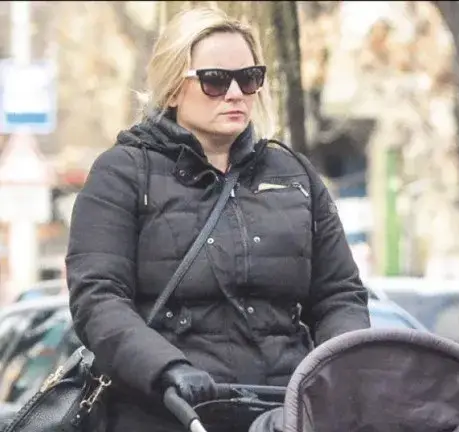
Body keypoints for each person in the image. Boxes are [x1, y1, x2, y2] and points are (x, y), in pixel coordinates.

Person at [65, 7, 370, 431]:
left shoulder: (296, 175)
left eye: (249, 78)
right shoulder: (121, 173)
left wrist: (334, 373)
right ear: (173, 89)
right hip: (166, 411)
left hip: (283, 412)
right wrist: (166, 369)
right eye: (215, 80)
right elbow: (97, 299)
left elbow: (340, 294)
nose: (235, 93)